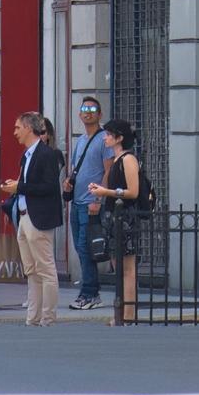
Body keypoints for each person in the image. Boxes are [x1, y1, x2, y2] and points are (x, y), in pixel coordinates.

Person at [0, 112, 65, 328]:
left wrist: (20, 187)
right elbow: (26, 184)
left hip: (39, 218)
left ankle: (48, 318)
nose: (15, 132)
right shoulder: (26, 155)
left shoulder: (47, 155)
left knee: (45, 269)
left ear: (28, 128)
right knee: (31, 271)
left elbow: (50, 187)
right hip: (25, 216)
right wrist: (16, 186)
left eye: (18, 127)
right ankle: (33, 317)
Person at [90, 119, 148, 322]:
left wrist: (106, 191)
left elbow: (133, 191)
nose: (105, 137)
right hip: (114, 217)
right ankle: (121, 312)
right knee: (119, 268)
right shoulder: (116, 160)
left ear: (119, 138)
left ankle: (128, 314)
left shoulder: (128, 159)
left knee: (128, 268)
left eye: (108, 134)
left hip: (125, 218)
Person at [62, 96, 110, 310]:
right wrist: (69, 181)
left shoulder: (103, 139)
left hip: (91, 203)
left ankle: (89, 293)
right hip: (78, 202)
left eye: (92, 109)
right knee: (81, 248)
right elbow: (76, 167)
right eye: (84, 109)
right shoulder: (80, 141)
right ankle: (90, 291)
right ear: (79, 114)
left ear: (100, 115)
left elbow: (108, 170)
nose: (88, 112)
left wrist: (98, 199)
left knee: (85, 247)